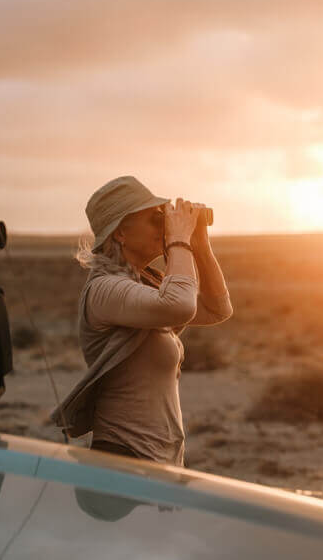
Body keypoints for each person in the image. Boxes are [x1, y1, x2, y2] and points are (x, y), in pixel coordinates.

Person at [51, 176, 232, 466]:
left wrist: (199, 242)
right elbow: (181, 305)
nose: (163, 226)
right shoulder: (104, 290)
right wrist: (178, 240)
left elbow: (217, 308)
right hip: (123, 459)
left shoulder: (145, 286)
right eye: (155, 218)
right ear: (121, 232)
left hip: (159, 461)